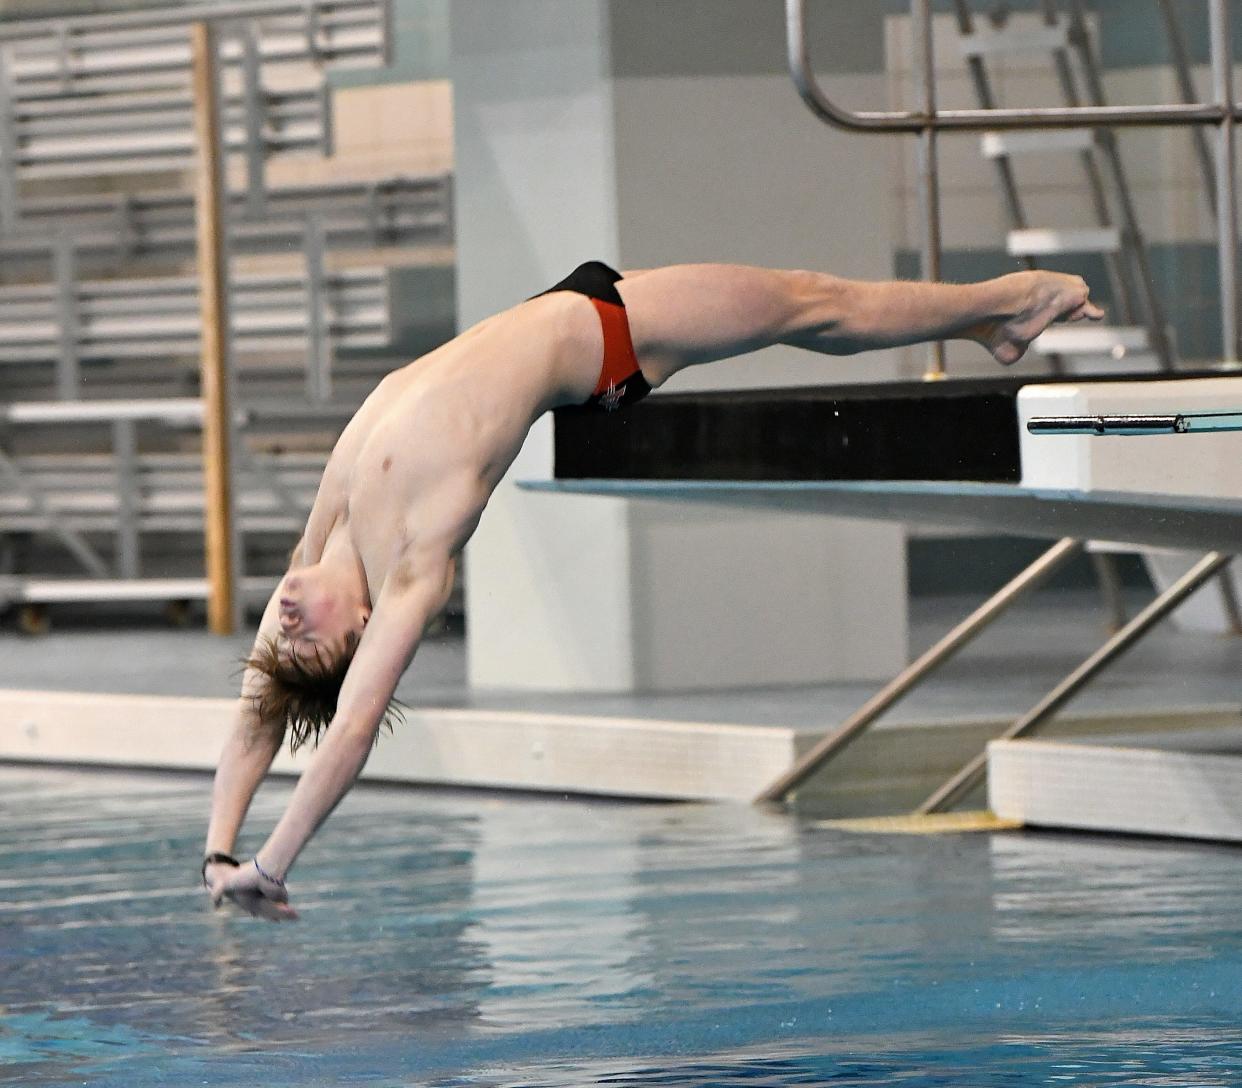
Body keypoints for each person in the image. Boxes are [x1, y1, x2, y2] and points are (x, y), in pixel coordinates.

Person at [202, 260, 1104, 920]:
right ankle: (1005, 307)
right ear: (361, 629)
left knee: (815, 306)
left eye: (282, 631)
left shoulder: (328, 532)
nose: (284, 617)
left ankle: (997, 317)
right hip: (608, 339)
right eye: (308, 638)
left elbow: (257, 708)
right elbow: (352, 727)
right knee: (817, 306)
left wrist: (218, 847)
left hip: (559, 305)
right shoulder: (412, 564)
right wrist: (275, 864)